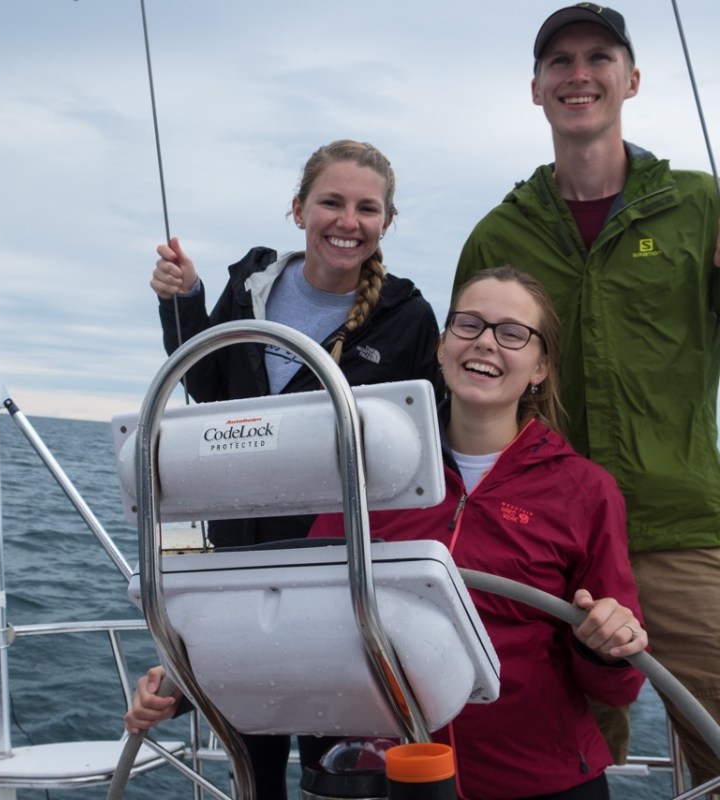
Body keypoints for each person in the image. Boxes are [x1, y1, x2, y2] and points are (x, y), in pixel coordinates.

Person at [452, 3, 720, 789]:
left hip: (678, 529)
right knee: (551, 759)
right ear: (535, 89)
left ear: (631, 79)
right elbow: (467, 372)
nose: (579, 74)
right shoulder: (501, 233)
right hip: (544, 537)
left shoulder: (700, 207)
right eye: (559, 62)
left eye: (598, 58)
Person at [125, 139, 442, 800]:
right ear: (298, 209)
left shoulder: (407, 316)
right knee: (253, 763)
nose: (347, 220)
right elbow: (207, 385)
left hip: (345, 578)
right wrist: (184, 299)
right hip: (240, 566)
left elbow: (420, 444)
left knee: (342, 771)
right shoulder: (250, 284)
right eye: (331, 201)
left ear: (387, 222)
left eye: (366, 207)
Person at [309, 266, 648, 800]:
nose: (486, 342)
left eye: (512, 333)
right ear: (442, 347)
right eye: (469, 325)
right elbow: (303, 613)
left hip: (544, 782)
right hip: (396, 775)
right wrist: (187, 675)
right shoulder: (367, 473)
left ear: (540, 367)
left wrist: (605, 645)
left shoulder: (586, 490)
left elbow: (620, 683)